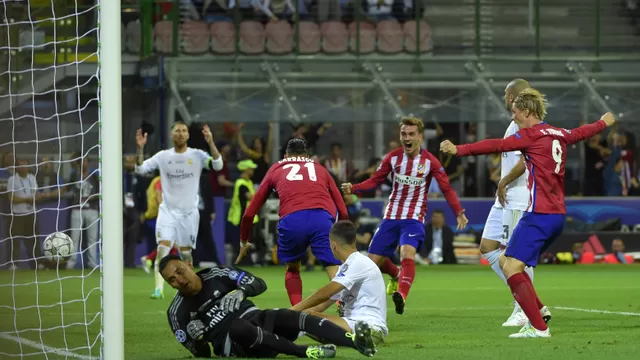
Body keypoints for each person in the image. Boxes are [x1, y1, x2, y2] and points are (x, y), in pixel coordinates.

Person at [440, 88, 615, 338]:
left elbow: (496, 145)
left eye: (515, 112)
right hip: (556, 216)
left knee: (511, 268)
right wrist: (603, 122)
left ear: (527, 111)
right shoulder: (558, 133)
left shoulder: (530, 135)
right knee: (505, 261)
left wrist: (460, 149)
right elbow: (581, 133)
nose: (513, 117)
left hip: (538, 214)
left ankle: (538, 327)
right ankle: (538, 309)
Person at [341, 116, 468, 315]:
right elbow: (375, 180)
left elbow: (447, 189)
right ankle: (395, 273)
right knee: (373, 262)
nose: (406, 138)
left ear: (420, 137)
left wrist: (459, 212)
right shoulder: (392, 158)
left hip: (414, 218)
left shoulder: (430, 162)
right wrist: (354, 187)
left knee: (407, 253)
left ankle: (401, 294)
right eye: (403, 134)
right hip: (391, 216)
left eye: (411, 134)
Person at [160, 255, 377, 358]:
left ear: (189, 263)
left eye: (179, 271)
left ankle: (356, 341)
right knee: (237, 326)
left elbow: (258, 283)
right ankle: (305, 352)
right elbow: (202, 355)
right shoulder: (177, 314)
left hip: (261, 321)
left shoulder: (218, 274)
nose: (179, 279)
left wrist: (242, 290)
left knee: (286, 315)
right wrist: (197, 341)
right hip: (236, 343)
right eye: (171, 279)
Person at [236, 138, 349, 306]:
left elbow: (249, 213)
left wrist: (244, 240)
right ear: (307, 155)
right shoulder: (320, 168)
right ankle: (342, 303)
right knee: (332, 265)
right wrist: (344, 235)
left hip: (292, 220)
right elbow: (342, 207)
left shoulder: (277, 168)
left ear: (285, 155)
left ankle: (298, 311)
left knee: (293, 268)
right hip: (322, 218)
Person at [478, 78, 542, 327]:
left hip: (517, 197)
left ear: (514, 96)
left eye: (506, 94)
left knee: (516, 254)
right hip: (503, 199)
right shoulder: (514, 123)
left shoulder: (524, 124)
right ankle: (529, 299)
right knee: (487, 246)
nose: (505, 99)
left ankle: (523, 309)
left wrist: (503, 181)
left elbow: (524, 161)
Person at [135, 121, 223, 299]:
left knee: (185, 253)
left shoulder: (197, 155)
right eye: (177, 131)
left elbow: (217, 165)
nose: (180, 134)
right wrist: (140, 149)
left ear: (188, 135)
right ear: (171, 135)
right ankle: (158, 289)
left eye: (184, 131)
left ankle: (191, 286)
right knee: (163, 248)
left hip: (189, 213)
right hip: (168, 212)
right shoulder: (163, 156)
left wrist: (211, 142)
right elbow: (140, 169)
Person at [291, 221, 387, 347]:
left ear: (333, 245)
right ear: (353, 241)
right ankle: (356, 340)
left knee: (304, 318)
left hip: (367, 323)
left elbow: (326, 292)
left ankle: (367, 336)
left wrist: (293, 310)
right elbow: (321, 305)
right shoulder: (347, 267)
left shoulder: (359, 263)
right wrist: (290, 316)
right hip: (351, 323)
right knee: (301, 319)